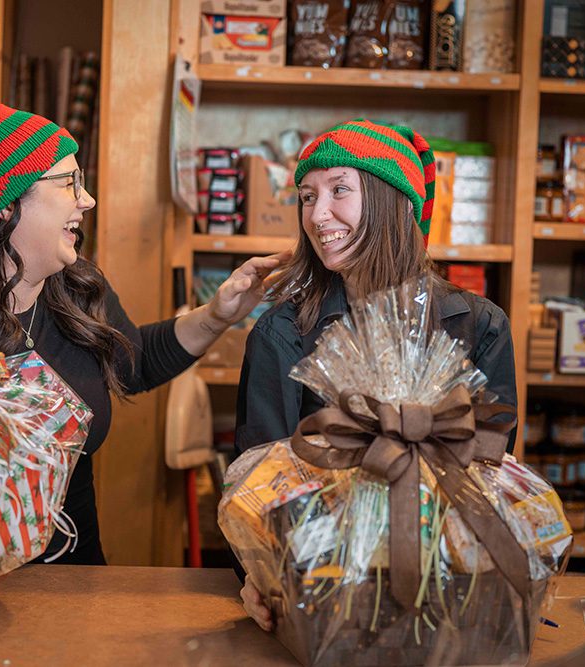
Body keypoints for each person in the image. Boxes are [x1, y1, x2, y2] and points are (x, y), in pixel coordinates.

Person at [0, 100, 287, 607]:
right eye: (67, 184)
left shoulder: (75, 286)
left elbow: (133, 361)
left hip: (77, 592)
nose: (88, 200)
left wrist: (217, 314)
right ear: (5, 202)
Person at [232, 119, 516, 630]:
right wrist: (259, 574)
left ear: (396, 203)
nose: (318, 216)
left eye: (340, 189)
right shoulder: (283, 331)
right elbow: (258, 482)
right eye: (306, 196)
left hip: (451, 587)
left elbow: (491, 479)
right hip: (323, 586)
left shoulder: (479, 326)